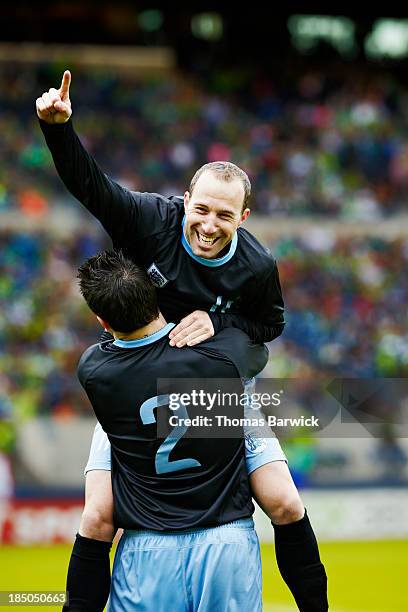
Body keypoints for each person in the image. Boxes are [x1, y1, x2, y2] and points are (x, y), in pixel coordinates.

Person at [37, 71, 328, 612]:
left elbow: (269, 329)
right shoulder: (151, 221)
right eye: (201, 208)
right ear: (184, 199)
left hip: (215, 389)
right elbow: (93, 189)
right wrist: (57, 129)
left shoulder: (257, 266)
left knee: (285, 503)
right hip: (135, 385)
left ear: (243, 216)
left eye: (225, 215)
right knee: (98, 518)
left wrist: (218, 336)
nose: (209, 224)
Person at [76, 249, 267, 611]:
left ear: (101, 321)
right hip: (225, 537)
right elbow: (260, 342)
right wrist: (214, 321)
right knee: (284, 500)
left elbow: (116, 348)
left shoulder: (93, 370)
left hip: (146, 546)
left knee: (94, 516)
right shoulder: (223, 356)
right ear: (155, 294)